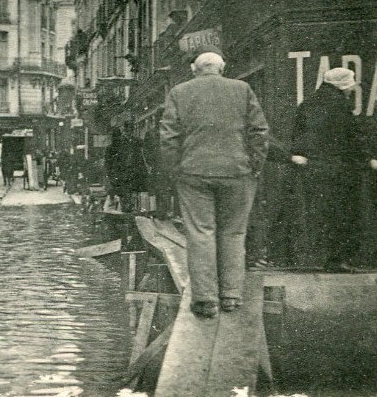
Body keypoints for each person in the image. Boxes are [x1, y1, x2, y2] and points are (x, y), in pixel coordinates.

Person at [160, 50, 268, 319]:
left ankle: (206, 300)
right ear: (222, 68)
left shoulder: (179, 92)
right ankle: (231, 295)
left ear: (195, 69)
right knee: (233, 233)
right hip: (237, 171)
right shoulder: (242, 89)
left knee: (200, 233)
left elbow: (169, 136)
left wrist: (176, 169)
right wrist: (254, 165)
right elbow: (259, 131)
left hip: (194, 172)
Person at [289, 68, 377, 272]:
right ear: (343, 86)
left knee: (319, 213)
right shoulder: (340, 106)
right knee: (344, 215)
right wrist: (368, 159)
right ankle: (339, 260)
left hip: (313, 167)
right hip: (340, 169)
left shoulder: (307, 104)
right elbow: (352, 139)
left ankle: (316, 256)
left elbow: (298, 137)